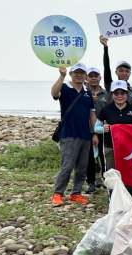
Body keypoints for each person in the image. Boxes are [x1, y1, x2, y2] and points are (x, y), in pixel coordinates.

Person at [50, 63, 98, 206]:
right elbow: (53, 93)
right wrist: (61, 76)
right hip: (68, 133)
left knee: (82, 166)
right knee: (67, 165)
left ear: (85, 76)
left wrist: (94, 133)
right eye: (76, 72)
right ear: (71, 74)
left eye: (82, 73)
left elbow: (92, 114)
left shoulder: (87, 92)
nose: (79, 75)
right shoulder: (65, 88)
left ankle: (76, 193)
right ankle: (58, 194)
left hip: (85, 134)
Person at [95, 81, 132, 202]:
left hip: (130, 150)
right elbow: (96, 128)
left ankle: (129, 201)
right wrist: (103, 129)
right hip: (111, 148)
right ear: (111, 94)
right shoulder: (105, 110)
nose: (119, 95)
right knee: (113, 175)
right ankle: (114, 201)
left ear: (127, 94)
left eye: (122, 92)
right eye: (116, 93)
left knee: (128, 175)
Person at [85, 66, 109, 192]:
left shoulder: (106, 94)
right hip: (86, 130)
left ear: (100, 77)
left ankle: (106, 181)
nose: (94, 78)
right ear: (86, 78)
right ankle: (91, 182)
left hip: (102, 131)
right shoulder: (83, 92)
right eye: (91, 76)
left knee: (104, 156)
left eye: (96, 76)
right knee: (89, 157)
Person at [99, 36, 132, 102]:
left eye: (127, 71)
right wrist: (105, 48)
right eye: (121, 71)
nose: (124, 73)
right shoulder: (111, 86)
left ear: (130, 73)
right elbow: (106, 67)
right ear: (116, 72)